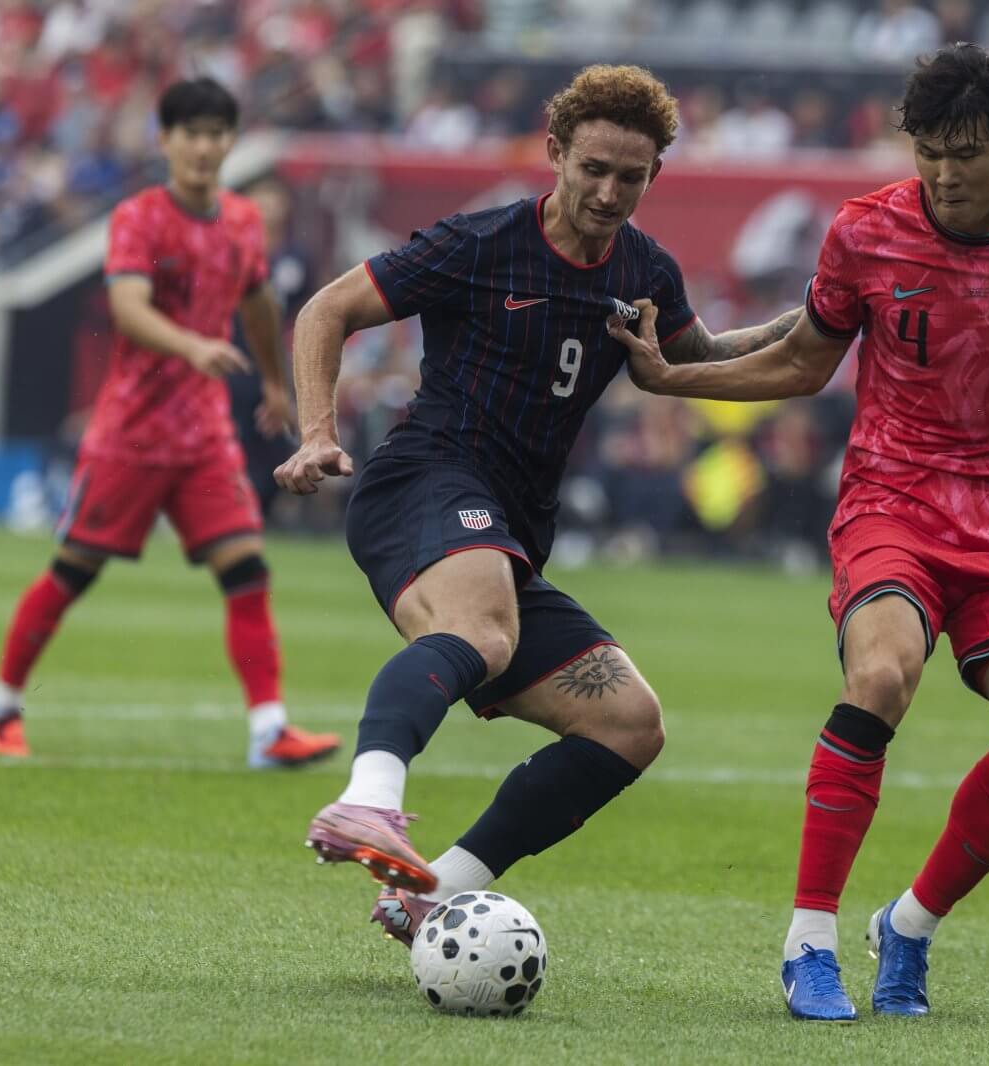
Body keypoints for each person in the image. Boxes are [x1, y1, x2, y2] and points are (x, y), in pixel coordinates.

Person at [614, 44, 989, 1022]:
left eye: (966, 152)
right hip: (892, 502)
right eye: (927, 152)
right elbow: (800, 361)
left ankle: (907, 926)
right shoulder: (865, 233)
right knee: (879, 675)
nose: (945, 173)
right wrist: (676, 378)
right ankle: (809, 942)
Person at [272, 65, 802, 944]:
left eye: (629, 177)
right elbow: (326, 310)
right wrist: (317, 430)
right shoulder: (479, 243)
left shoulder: (644, 271)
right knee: (485, 633)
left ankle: (434, 890)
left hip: (511, 533)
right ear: (554, 154)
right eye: (591, 167)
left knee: (629, 725)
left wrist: (817, 315)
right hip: (425, 481)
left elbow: (696, 357)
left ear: (653, 176)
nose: (607, 191)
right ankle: (367, 800)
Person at [0, 78, 341, 769]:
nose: (204, 147)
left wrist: (272, 379)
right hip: (132, 434)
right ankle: (0, 705)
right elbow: (128, 308)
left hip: (204, 438)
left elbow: (260, 301)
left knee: (248, 570)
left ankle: (269, 730)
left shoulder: (240, 221)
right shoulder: (139, 217)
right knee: (73, 571)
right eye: (191, 133)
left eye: (216, 134)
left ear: (229, 141)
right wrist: (193, 344)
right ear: (166, 140)